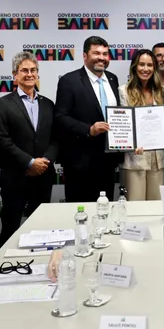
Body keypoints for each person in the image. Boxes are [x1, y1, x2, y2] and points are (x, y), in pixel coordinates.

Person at [0, 51, 58, 243]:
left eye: (33, 70)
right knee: (11, 228)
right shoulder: (2, 104)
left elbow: (56, 138)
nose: (29, 74)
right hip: (15, 177)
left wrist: (45, 161)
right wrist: (29, 162)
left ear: (37, 74)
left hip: (43, 176)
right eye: (24, 70)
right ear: (15, 75)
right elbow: (1, 140)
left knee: (41, 228)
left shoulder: (48, 104)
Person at [55, 35, 121, 203]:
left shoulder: (112, 79)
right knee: (81, 212)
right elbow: (61, 117)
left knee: (105, 209)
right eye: (96, 53)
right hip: (80, 163)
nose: (102, 58)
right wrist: (89, 130)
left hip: (108, 162)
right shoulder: (69, 81)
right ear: (85, 56)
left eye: (105, 54)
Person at [119, 49, 164, 201]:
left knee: (157, 205)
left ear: (155, 68)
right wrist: (131, 144)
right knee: (135, 204)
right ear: (134, 66)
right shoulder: (124, 91)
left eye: (150, 65)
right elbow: (122, 124)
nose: (145, 69)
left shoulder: (162, 91)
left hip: (158, 158)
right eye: (141, 64)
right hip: (134, 157)